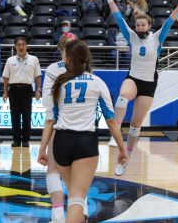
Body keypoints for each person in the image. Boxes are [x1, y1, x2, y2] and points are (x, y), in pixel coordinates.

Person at [38, 39, 127, 223]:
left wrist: (42, 149)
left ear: (68, 60)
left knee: (74, 195)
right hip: (85, 142)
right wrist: (122, 148)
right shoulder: (97, 82)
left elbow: (50, 121)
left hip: (61, 141)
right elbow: (110, 119)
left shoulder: (60, 84)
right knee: (77, 198)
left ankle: (61, 216)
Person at [103, 0, 178, 176]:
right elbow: (118, 18)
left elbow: (170, 21)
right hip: (133, 78)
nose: (140, 27)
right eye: (138, 25)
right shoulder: (131, 36)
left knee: (135, 124)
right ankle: (114, 131)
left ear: (148, 26)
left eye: (143, 25)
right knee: (123, 96)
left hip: (148, 84)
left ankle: (126, 157)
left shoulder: (157, 38)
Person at [40, 34, 80, 223]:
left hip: (61, 125)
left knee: (54, 170)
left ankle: (57, 215)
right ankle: (82, 212)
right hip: (82, 127)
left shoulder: (52, 69)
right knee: (79, 173)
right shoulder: (86, 70)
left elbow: (48, 104)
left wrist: (42, 147)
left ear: (61, 50)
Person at [2, 36, 41, 147]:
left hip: (27, 90)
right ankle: (16, 140)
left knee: (27, 116)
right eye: (18, 44)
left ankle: (25, 140)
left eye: (23, 44)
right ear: (15, 47)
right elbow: (5, 77)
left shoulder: (34, 59)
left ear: (26, 46)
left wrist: (38, 90)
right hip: (13, 90)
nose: (21, 46)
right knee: (14, 116)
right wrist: (5, 91)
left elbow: (38, 76)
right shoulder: (10, 60)